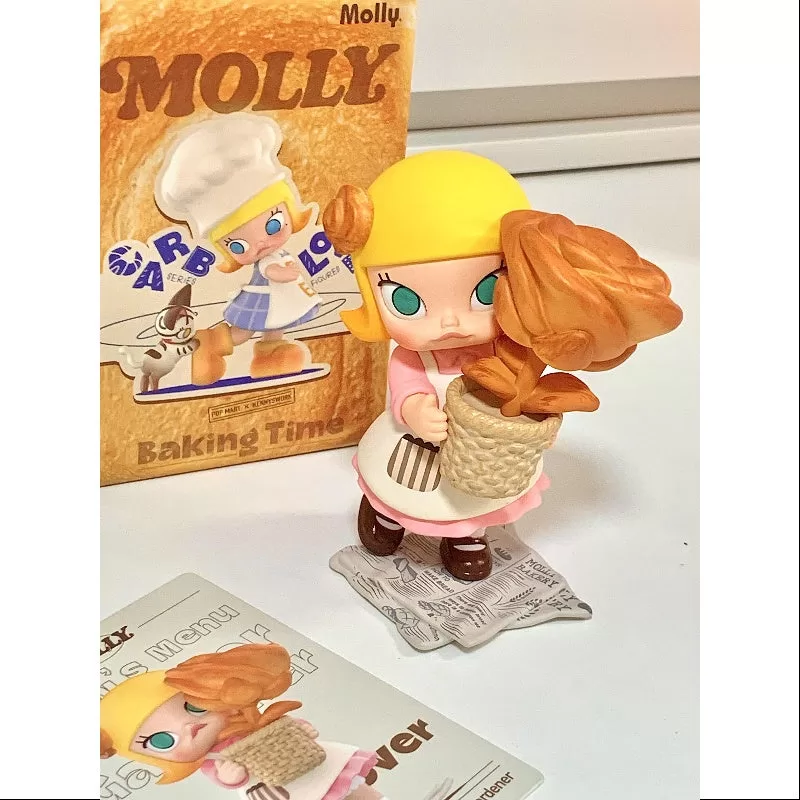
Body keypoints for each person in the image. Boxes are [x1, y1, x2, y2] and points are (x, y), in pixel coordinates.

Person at [323, 151, 681, 581]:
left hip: (483, 460)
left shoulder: (510, 353)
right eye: (407, 300)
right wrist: (415, 409)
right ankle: (386, 518)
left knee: (474, 502)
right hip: (416, 446)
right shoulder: (411, 356)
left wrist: (535, 424)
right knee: (400, 488)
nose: (450, 323)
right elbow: (407, 388)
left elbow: (532, 391)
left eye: (484, 292)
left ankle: (466, 538)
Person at [155, 114, 320, 385]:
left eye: (273, 224)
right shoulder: (267, 260)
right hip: (263, 300)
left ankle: (271, 357)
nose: (261, 243)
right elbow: (271, 271)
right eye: (238, 245)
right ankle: (210, 343)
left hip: (277, 301)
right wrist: (287, 273)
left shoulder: (276, 252)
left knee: (276, 328)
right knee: (244, 332)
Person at [100, 644, 382, 799]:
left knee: (352, 788)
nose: (190, 728)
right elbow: (222, 778)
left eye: (194, 707)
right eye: (163, 740)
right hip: (279, 791)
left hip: (315, 766)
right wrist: (229, 777)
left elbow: (279, 726)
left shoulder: (250, 718)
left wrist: (300, 729)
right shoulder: (212, 759)